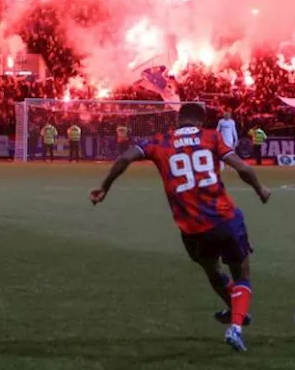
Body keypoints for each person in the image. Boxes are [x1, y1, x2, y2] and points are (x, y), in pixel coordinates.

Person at [90, 102, 271, 352]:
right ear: (201, 121)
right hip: (225, 218)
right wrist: (260, 190)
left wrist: (105, 187)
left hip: (192, 227)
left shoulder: (160, 141)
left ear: (179, 120)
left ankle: (235, 309)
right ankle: (236, 325)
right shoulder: (211, 136)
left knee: (213, 272)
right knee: (242, 275)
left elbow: (124, 157)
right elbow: (243, 168)